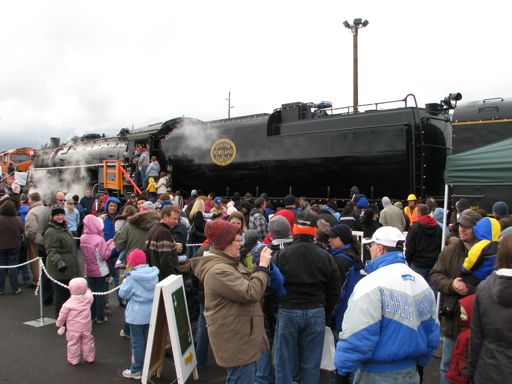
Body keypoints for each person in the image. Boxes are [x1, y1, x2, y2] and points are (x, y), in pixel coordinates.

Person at [334, 226, 439, 383]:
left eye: (371, 246)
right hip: (411, 372)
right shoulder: (421, 282)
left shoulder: (372, 284)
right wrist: (420, 363)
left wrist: (342, 371)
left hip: (376, 374)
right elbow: (432, 331)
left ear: (380, 249)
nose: (369, 250)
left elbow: (358, 335)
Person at [191, 220, 273, 383]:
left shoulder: (228, 263)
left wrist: (258, 269)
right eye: (238, 240)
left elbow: (247, 282)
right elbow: (251, 292)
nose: (241, 245)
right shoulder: (218, 270)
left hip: (239, 336)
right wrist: (262, 267)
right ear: (225, 243)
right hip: (236, 340)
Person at [273, 211, 341, 384]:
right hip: (315, 311)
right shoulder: (325, 256)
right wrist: (324, 312)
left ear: (294, 229)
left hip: (288, 311)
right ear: (314, 231)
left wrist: (273, 313)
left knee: (284, 363)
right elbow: (334, 291)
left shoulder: (280, 256)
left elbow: (271, 287)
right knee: (311, 364)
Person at [431, 208, 482, 384]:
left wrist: (470, 288)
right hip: (453, 320)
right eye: (461, 225)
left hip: (479, 322)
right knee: (447, 365)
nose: (462, 229)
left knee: (475, 370)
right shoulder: (449, 251)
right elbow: (436, 276)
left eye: (468, 226)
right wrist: (451, 285)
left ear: (477, 228)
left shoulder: (488, 254)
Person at [469, 234, 512, 383]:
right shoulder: (484, 288)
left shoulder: (484, 288)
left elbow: (476, 338)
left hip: (488, 371)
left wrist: (472, 372)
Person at [118, 249, 159, 380]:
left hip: (136, 315)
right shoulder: (154, 274)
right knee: (147, 340)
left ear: (131, 262)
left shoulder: (132, 277)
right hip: (151, 312)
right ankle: (146, 366)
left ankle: (136, 369)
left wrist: (124, 280)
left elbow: (122, 294)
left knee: (137, 343)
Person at [44, 205, 83, 318]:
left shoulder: (65, 228)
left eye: (61, 214)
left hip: (70, 268)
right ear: (52, 217)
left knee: (68, 295)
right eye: (57, 215)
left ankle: (67, 317)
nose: (60, 217)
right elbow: (51, 250)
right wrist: (59, 262)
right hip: (60, 270)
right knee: (60, 296)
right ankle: (60, 318)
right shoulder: (51, 231)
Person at [80, 214, 115, 323]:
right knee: (100, 294)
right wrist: (109, 246)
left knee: (91, 293)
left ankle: (92, 315)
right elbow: (104, 256)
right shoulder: (99, 239)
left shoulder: (83, 238)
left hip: (89, 270)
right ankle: (100, 316)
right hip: (100, 271)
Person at [55, 277, 95, 365]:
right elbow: (90, 295)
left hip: (73, 329)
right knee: (88, 342)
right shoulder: (88, 299)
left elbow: (62, 316)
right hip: (86, 327)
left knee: (73, 344)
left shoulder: (68, 303)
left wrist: (59, 324)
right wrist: (88, 291)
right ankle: (89, 357)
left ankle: (74, 360)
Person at [405, 204, 443, 288]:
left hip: (418, 264)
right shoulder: (438, 228)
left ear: (418, 213)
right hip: (433, 264)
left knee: (417, 289)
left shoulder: (415, 227)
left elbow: (409, 246)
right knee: (433, 291)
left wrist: (409, 260)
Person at [146, 205, 183, 281]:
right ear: (165, 216)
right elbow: (165, 260)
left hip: (155, 275)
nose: (176, 222)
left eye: (177, 219)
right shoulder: (164, 232)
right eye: (174, 219)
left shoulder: (153, 229)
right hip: (164, 278)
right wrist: (172, 278)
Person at [461, 217, 500, 285]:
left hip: (478, 277)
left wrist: (463, 269)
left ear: (479, 230)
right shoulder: (500, 245)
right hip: (494, 278)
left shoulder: (481, 245)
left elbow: (471, 261)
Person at [446, 294, 475, 384]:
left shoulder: (468, 335)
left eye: (464, 314)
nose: (461, 316)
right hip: (457, 373)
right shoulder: (465, 331)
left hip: (460, 375)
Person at [0, 200, 24, 295]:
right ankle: (15, 288)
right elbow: (22, 231)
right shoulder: (17, 219)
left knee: (1, 267)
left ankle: (0, 289)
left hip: (1, 246)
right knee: (13, 267)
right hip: (14, 245)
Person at [24, 192, 45, 287]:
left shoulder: (32, 212)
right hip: (46, 239)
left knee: (35, 260)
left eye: (29, 199)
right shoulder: (45, 209)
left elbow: (31, 230)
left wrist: (33, 239)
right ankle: (45, 280)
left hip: (35, 241)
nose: (28, 201)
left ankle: (37, 281)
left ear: (32, 200)